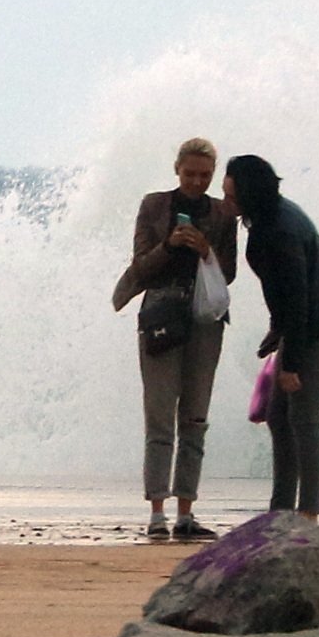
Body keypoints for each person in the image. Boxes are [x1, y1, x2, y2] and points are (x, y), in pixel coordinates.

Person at [111, 136, 240, 543]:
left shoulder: (222, 215)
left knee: (196, 416)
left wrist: (206, 251)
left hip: (204, 320)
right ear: (177, 170)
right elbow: (141, 266)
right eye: (190, 174)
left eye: (205, 176)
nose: (197, 182)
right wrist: (171, 244)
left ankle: (187, 510)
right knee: (160, 414)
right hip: (161, 315)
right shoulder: (154, 206)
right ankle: (156, 512)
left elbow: (230, 273)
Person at [224, 153, 319, 519]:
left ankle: (308, 515)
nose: (226, 203)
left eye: (232, 197)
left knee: (304, 420)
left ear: (250, 195)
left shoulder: (280, 229)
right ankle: (281, 511)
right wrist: (276, 330)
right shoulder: (267, 216)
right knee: (278, 416)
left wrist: (290, 365)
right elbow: (284, 296)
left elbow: (299, 300)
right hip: (302, 322)